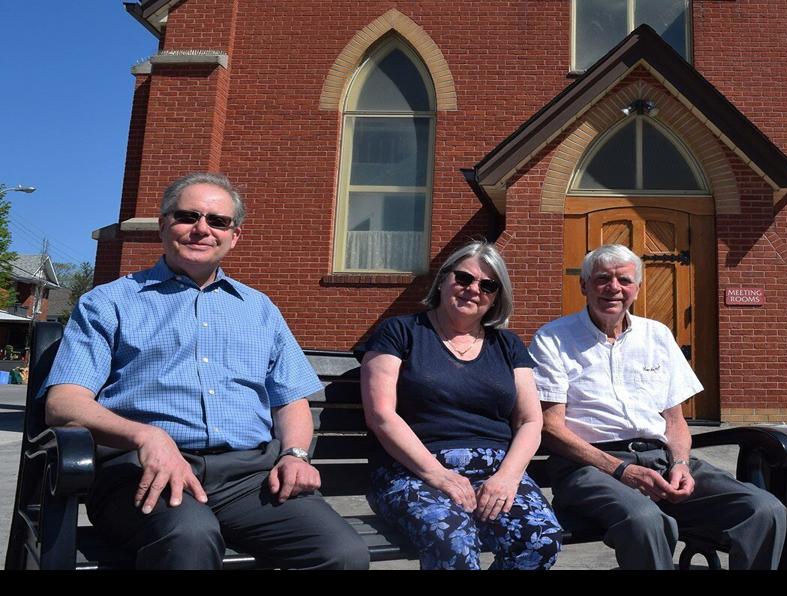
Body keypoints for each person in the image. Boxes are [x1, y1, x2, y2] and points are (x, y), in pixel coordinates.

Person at [40, 172, 368, 570]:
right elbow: (64, 403)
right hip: (145, 471)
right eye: (187, 216)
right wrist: (147, 436)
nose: (202, 229)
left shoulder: (259, 309)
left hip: (249, 478)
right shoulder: (109, 303)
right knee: (190, 538)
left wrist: (296, 454)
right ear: (163, 226)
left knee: (341, 554)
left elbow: (290, 400)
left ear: (234, 236)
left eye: (217, 221)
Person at [529, 244, 786, 570]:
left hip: (661, 460)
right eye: (602, 279)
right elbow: (550, 428)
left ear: (637, 288)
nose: (613, 288)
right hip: (588, 466)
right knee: (645, 519)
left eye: (624, 280)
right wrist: (621, 470)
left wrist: (680, 463)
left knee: (763, 509)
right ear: (583, 285)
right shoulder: (554, 339)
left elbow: (675, 421)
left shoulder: (657, 336)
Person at [358, 241, 562, 570]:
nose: (473, 289)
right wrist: (437, 474)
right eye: (464, 278)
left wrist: (508, 478)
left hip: (497, 471)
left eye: (487, 285)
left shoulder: (507, 345)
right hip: (415, 470)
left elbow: (529, 421)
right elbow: (381, 415)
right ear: (443, 279)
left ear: (497, 297)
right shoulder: (400, 332)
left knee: (540, 536)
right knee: (452, 536)